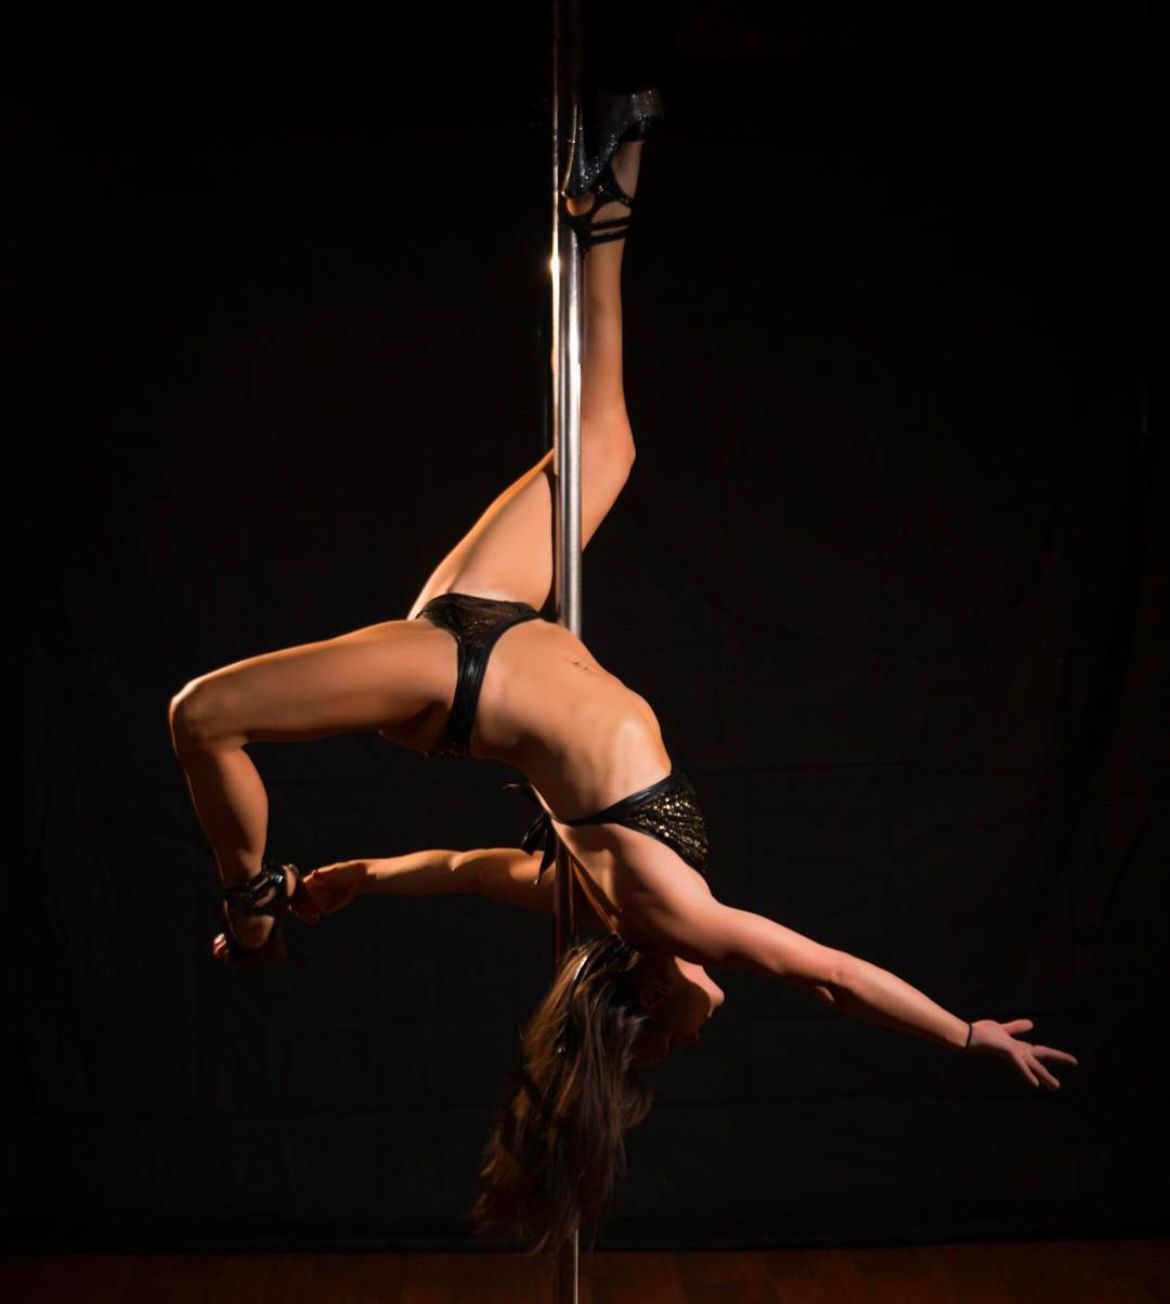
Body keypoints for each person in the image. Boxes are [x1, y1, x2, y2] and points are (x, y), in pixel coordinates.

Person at [167, 88, 1078, 1255]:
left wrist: (963, 1035)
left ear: (654, 993)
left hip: (455, 679)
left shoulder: (664, 913)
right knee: (610, 442)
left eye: (679, 1034)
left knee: (204, 717)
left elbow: (835, 974)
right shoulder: (590, 899)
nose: (709, 1020)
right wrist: (345, 879)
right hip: (497, 619)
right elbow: (454, 864)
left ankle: (244, 914)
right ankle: (601, 207)